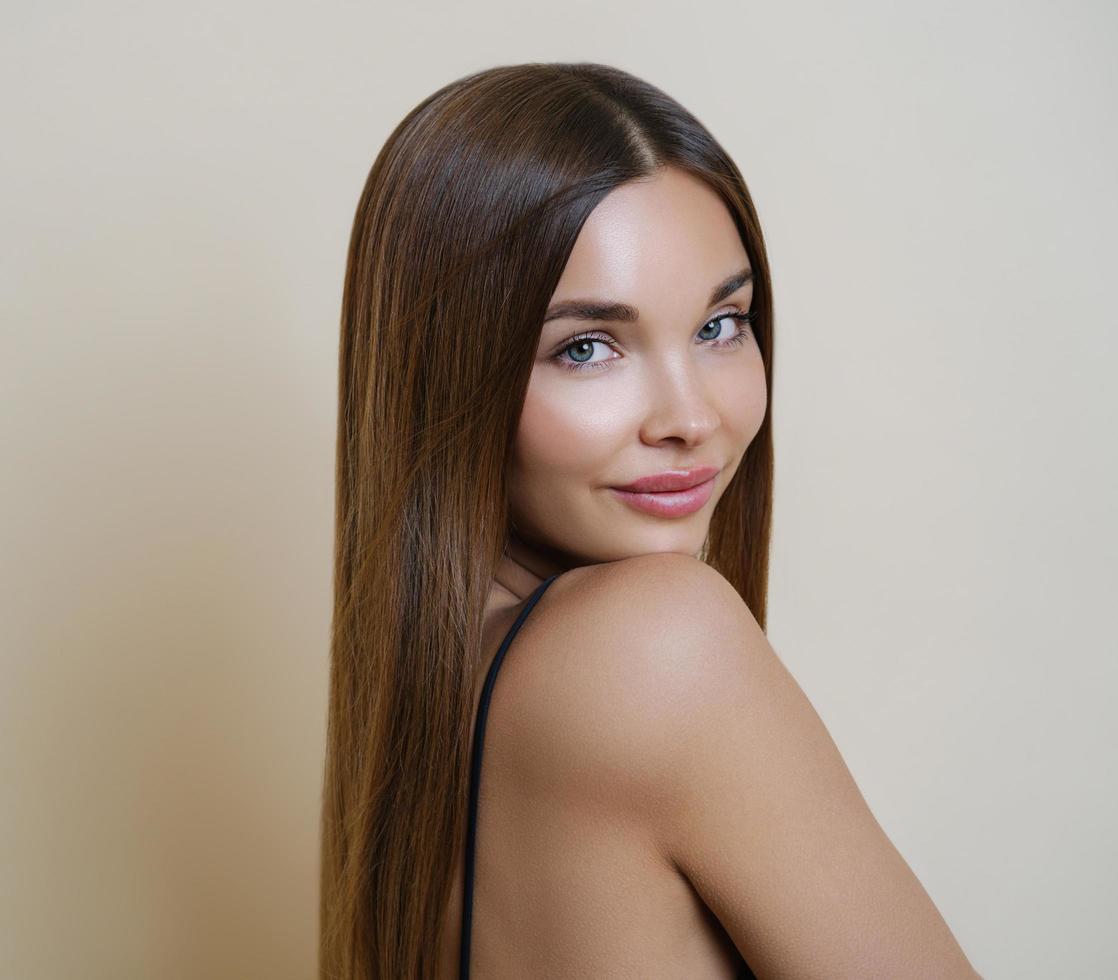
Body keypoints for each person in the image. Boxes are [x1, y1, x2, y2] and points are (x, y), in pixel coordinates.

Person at [319, 62, 981, 978]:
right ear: (449, 373)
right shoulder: (657, 643)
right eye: (587, 347)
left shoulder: (436, 698)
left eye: (721, 324)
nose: (690, 417)